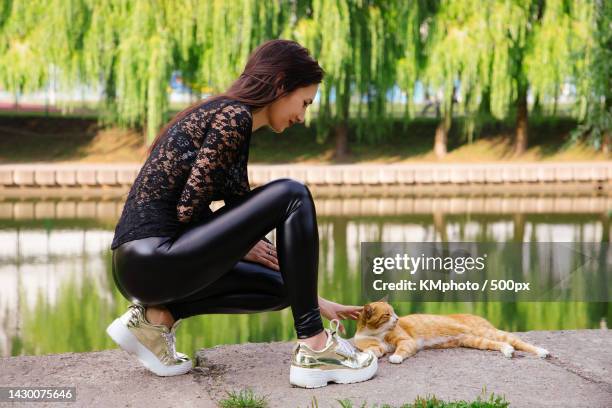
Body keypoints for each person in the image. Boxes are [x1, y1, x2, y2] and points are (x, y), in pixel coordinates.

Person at [105, 39, 377, 388]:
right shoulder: (232, 116)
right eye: (304, 102)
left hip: (148, 268)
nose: (302, 117)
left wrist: (315, 300)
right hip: (150, 257)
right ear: (281, 86)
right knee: (293, 194)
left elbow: (239, 216)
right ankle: (315, 347)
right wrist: (243, 246)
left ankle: (154, 322)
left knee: (281, 289)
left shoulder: (233, 121)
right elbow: (189, 207)